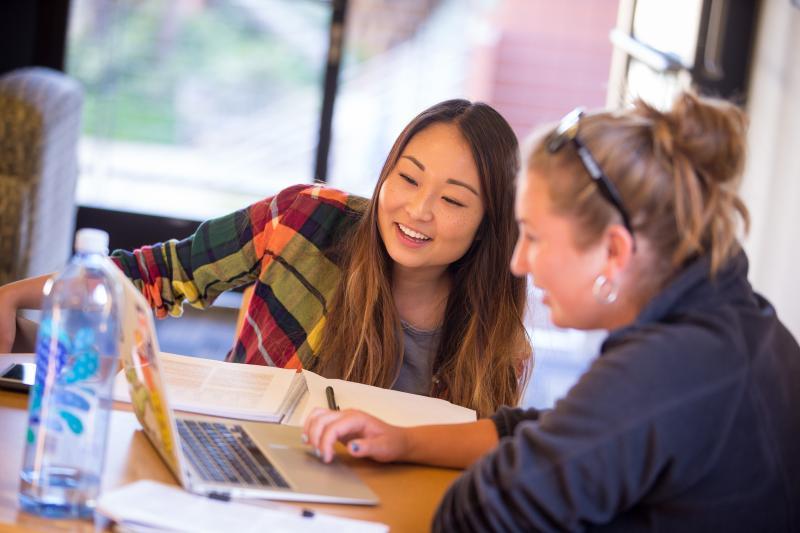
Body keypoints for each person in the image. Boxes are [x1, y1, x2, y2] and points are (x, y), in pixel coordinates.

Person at [303, 91, 800, 531]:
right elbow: (551, 433)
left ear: (614, 252)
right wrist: (406, 442)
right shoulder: (736, 320)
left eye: (535, 238)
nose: (519, 262)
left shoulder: (670, 370)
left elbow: (484, 512)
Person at [0, 99, 531, 416]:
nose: (418, 210)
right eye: (408, 177)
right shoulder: (306, 219)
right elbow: (161, 273)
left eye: (454, 200)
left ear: (491, 224)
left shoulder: (496, 341)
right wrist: (12, 298)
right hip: (236, 462)